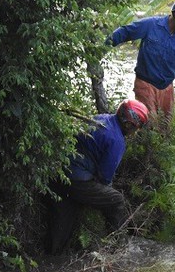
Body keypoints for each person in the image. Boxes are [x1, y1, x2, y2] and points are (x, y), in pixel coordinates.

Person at [47, 99, 149, 255]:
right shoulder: (116, 140)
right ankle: (118, 246)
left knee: (64, 217)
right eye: (136, 128)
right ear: (129, 124)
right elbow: (105, 177)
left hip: (57, 172)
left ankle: (53, 256)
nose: (135, 132)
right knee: (116, 200)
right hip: (77, 180)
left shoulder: (101, 118)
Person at [105, 0, 175, 124]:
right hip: (145, 83)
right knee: (149, 123)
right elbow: (125, 32)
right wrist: (102, 48)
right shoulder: (151, 25)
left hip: (166, 87)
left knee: (165, 125)